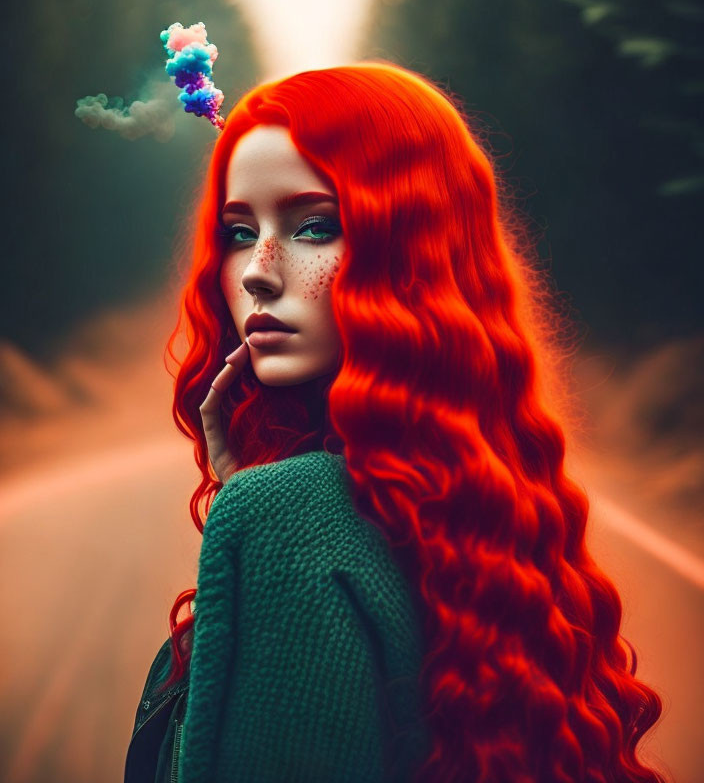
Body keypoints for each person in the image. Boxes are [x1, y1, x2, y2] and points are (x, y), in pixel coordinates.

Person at [124, 61, 666, 783]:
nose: (258, 269)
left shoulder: (284, 515)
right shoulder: (487, 523)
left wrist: (255, 511)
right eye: (238, 230)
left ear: (410, 255)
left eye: (315, 226)